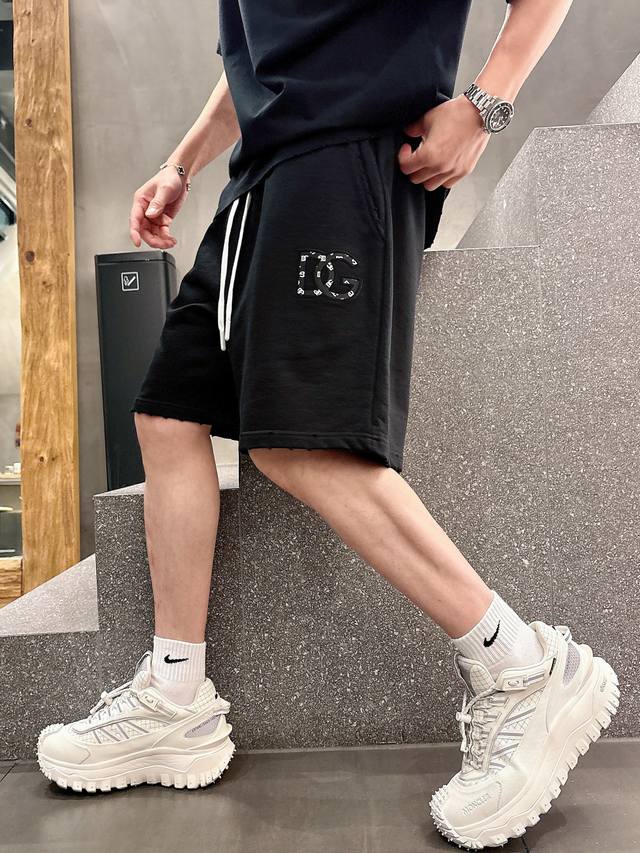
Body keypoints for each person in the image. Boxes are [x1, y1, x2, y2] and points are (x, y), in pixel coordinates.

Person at [38, 0, 619, 847]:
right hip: (258, 184)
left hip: (346, 163)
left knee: (302, 447)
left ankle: (522, 667)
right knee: (167, 416)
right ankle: (175, 697)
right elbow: (256, 58)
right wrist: (182, 163)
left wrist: (485, 104)